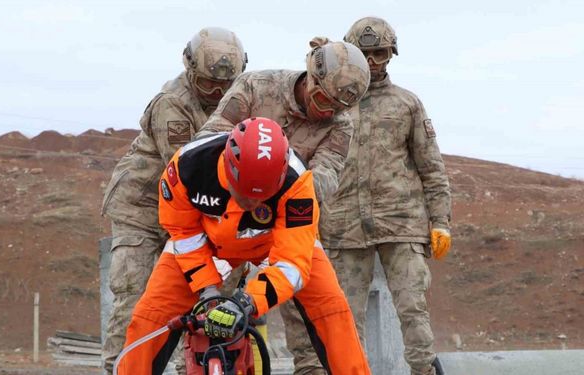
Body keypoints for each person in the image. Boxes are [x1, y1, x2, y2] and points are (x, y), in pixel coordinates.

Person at [116, 118, 371, 375]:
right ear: (229, 166)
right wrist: (206, 289)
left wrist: (246, 302)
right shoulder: (187, 168)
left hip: (275, 244)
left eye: (262, 195)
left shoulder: (299, 184)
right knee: (150, 316)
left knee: (332, 309)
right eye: (245, 193)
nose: (252, 202)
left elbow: (293, 264)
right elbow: (183, 231)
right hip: (207, 243)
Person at [195, 38, 370, 374]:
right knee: (212, 314)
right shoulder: (256, 88)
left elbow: (326, 179)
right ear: (310, 78)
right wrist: (248, 180)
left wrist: (277, 188)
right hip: (231, 218)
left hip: (290, 224)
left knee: (314, 320)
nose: (326, 112)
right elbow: (209, 142)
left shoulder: (340, 124)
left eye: (336, 108)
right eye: (321, 99)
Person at [100, 26, 247, 374]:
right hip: (144, 210)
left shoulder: (238, 100)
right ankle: (120, 368)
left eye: (224, 86)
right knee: (134, 300)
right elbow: (185, 168)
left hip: (193, 210)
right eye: (208, 84)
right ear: (190, 69)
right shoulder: (172, 103)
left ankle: (191, 368)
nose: (216, 93)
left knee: (202, 298)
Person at [319, 17, 452, 375]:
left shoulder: (407, 104)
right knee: (345, 317)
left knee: (413, 311)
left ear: (391, 55)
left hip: (402, 224)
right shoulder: (330, 103)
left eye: (380, 53)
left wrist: (440, 222)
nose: (373, 62)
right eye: (366, 54)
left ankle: (424, 371)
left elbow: (431, 168)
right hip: (343, 228)